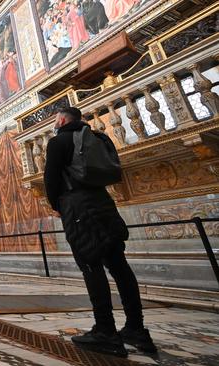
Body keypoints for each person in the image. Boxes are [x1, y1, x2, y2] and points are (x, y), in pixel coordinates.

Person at [44, 107, 156, 357]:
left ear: (61, 120)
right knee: (120, 266)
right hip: (104, 203)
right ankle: (137, 329)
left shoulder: (58, 141)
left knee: (91, 266)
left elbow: (51, 180)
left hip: (78, 207)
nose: (55, 123)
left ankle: (105, 331)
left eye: (55, 120)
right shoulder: (98, 137)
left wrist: (58, 205)